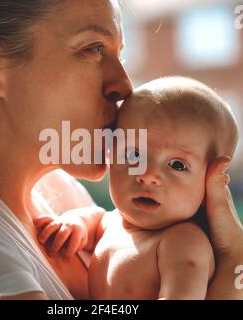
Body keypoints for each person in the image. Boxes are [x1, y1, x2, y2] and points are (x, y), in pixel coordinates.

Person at [0, 0, 242, 300]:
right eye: (94, 48)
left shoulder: (59, 191)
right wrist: (233, 261)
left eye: (119, 53)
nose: (124, 86)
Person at [38, 76, 239, 299]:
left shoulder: (182, 242)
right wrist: (76, 225)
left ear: (210, 182)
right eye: (134, 155)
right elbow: (96, 221)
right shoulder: (114, 223)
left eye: (177, 165)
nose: (148, 175)